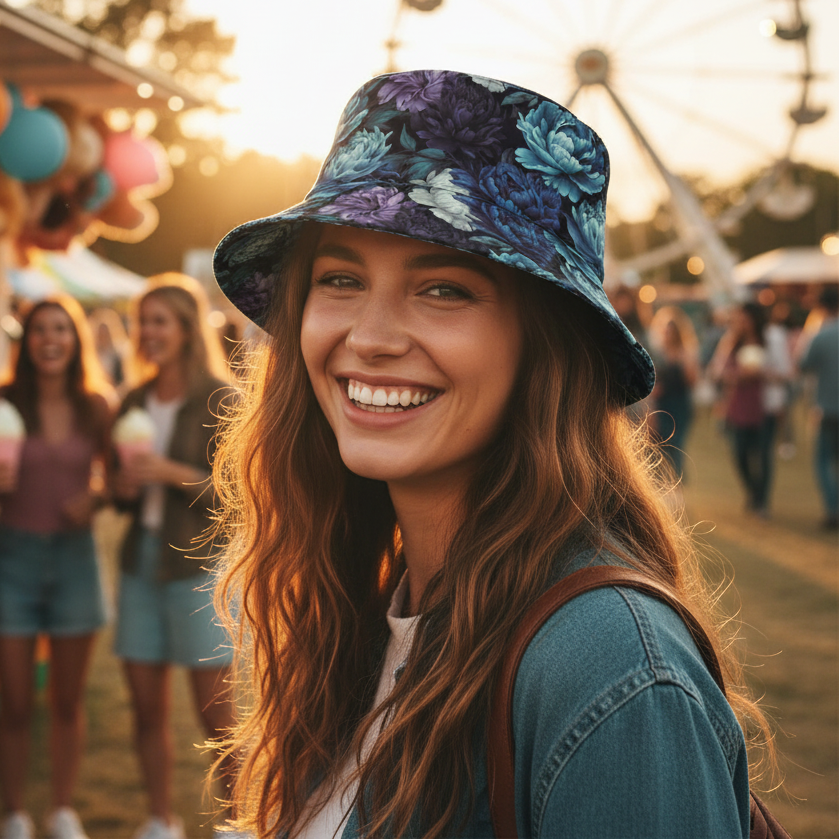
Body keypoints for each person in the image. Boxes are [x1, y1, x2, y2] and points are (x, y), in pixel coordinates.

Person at [211, 71, 774, 838]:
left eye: (443, 290)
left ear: (544, 345)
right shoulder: (369, 614)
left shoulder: (606, 668)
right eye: (340, 278)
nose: (370, 337)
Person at [112, 275, 236, 839]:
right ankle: (160, 821)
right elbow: (119, 495)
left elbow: (242, 497)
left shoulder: (222, 398)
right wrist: (118, 485)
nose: (148, 333)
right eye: (144, 322)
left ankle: (240, 822)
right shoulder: (134, 400)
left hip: (197, 572)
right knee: (145, 710)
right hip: (140, 566)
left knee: (218, 722)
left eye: (160, 321)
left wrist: (175, 475)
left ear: (187, 329)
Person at [0, 297, 113, 840]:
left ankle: (62, 810)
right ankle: (15, 812)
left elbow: (120, 479)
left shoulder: (96, 406)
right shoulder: (4, 401)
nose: (50, 339)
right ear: (27, 343)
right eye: (41, 330)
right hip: (12, 561)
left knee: (67, 701)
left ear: (75, 341)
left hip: (74, 561)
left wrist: (93, 500)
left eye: (61, 330)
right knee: (15, 702)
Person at [709, 303, 776, 517]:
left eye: (745, 318)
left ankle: (761, 501)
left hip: (765, 407)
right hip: (737, 406)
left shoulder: (771, 341)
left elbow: (786, 371)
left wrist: (763, 374)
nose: (741, 323)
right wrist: (738, 375)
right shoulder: (730, 342)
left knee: (764, 455)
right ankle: (753, 492)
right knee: (740, 454)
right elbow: (717, 372)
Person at [799, 287, 839, 529]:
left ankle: (833, 510)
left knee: (823, 461)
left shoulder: (820, 335)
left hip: (826, 408)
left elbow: (803, 365)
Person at [647, 306, 699, 478]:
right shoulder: (657, 354)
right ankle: (665, 482)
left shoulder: (686, 353)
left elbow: (692, 381)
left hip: (680, 405)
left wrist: (682, 360)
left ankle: (677, 483)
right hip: (661, 405)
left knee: (677, 443)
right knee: (660, 444)